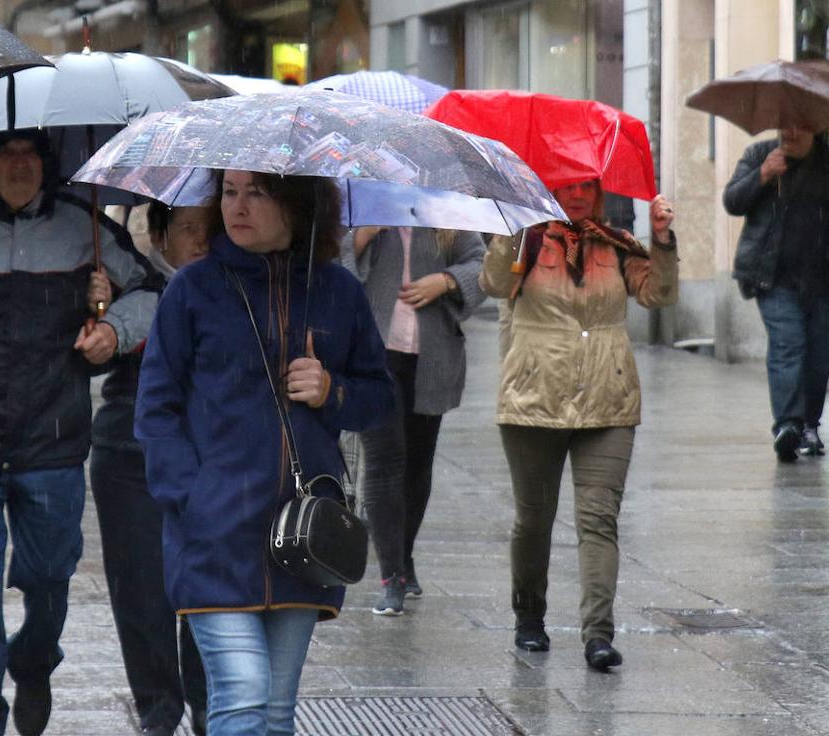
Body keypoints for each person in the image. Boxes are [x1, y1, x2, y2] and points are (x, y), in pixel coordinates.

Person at [136, 170, 393, 736]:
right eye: (228, 191)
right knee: (243, 694)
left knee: (276, 705)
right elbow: (156, 408)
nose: (237, 206)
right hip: (214, 533)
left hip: (302, 536)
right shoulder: (193, 290)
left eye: (257, 192)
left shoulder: (337, 292)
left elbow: (378, 396)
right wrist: (189, 496)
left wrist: (332, 390)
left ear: (298, 205)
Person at [0, 130, 157, 736]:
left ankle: (34, 661)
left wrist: (112, 323)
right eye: (6, 152)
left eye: (32, 152)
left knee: (49, 574)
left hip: (52, 438)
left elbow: (151, 295)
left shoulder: (87, 231)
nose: (20, 164)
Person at [480, 180, 677, 672]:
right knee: (534, 520)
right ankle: (529, 617)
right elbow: (495, 285)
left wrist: (661, 240)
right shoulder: (526, 237)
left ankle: (598, 635)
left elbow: (659, 294)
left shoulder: (616, 245)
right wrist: (508, 225)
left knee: (598, 521)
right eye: (566, 184)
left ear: (599, 192)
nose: (577, 194)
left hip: (607, 400)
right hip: (534, 399)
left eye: (586, 185)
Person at [91, 202, 212, 736]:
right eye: (189, 229)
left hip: (208, 457)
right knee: (140, 586)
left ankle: (210, 700)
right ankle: (157, 706)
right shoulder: (128, 284)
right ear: (159, 237)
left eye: (208, 229)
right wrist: (98, 306)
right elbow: (93, 356)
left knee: (208, 581)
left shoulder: (231, 291)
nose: (202, 241)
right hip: (128, 454)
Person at [352, 226, 486, 616]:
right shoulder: (365, 208)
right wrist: (361, 238)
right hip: (373, 356)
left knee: (417, 462)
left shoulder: (446, 217)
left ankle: (404, 555)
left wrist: (444, 281)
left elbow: (481, 264)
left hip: (432, 356)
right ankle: (390, 575)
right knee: (383, 462)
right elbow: (332, 264)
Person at [724, 126, 829, 461]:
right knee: (788, 343)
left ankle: (809, 425)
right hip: (772, 276)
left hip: (821, 279)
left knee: (818, 356)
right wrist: (763, 174)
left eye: (801, 124)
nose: (792, 131)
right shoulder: (760, 155)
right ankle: (787, 425)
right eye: (785, 124)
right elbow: (733, 201)